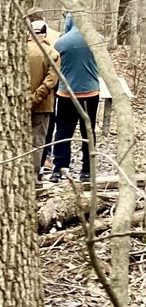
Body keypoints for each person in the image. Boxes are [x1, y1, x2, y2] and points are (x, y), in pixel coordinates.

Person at [51, 12, 101, 182]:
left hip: (66, 94)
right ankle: (87, 170)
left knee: (63, 131)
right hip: (91, 93)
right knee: (88, 131)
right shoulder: (97, 39)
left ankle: (58, 169)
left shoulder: (61, 42)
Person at [27, 11, 60, 178]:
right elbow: (51, 81)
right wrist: (36, 98)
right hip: (42, 105)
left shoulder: (18, 51)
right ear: (45, 34)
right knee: (38, 142)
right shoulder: (52, 53)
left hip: (19, 105)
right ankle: (33, 177)